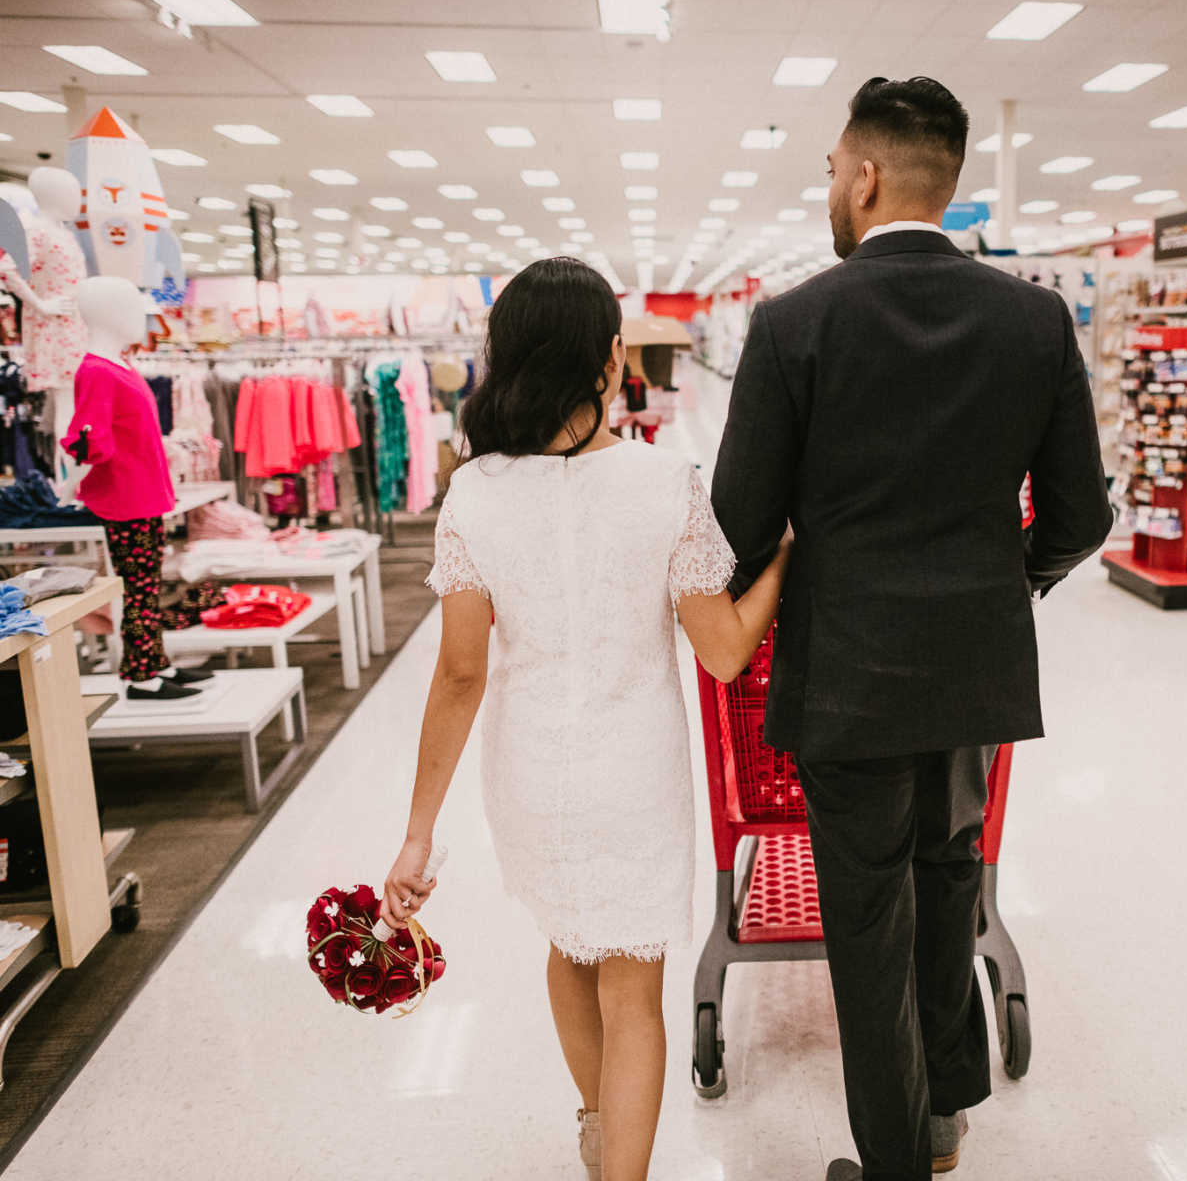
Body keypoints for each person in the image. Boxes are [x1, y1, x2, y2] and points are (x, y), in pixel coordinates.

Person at [711, 76, 1114, 1180]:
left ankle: (892, 1161)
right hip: (974, 674)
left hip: (846, 675)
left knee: (868, 917)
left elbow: (739, 521)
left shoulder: (796, 324)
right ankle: (943, 1114)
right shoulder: (1031, 319)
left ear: (867, 172)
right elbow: (1082, 515)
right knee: (950, 880)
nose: (830, 188)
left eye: (833, 169)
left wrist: (784, 577)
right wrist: (1002, 584)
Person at [382, 257, 790, 1181]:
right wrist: (785, 564)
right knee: (634, 988)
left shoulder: (475, 492)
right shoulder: (665, 483)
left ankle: (599, 1132)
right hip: (633, 770)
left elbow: (458, 675)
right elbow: (723, 650)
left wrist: (417, 833)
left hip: (529, 770)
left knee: (569, 943)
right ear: (611, 361)